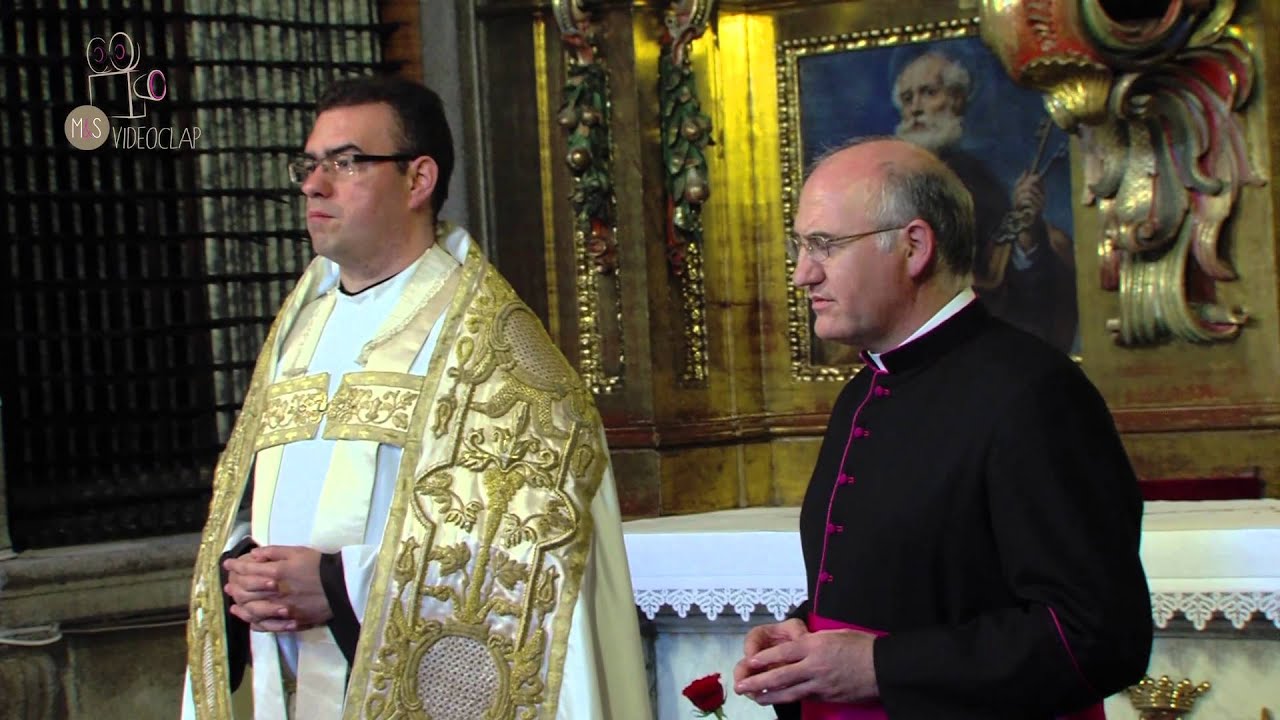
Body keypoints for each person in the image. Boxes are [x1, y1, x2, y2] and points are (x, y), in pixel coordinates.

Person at [181, 75, 651, 720]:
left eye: (344, 163)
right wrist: (241, 566)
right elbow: (252, 490)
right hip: (284, 682)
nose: (313, 185)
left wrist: (336, 586)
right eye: (309, 164)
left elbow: (529, 554)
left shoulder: (492, 348)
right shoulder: (299, 329)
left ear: (418, 178)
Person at [732, 138, 1152, 718]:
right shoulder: (861, 393)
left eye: (824, 245)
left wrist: (877, 668)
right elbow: (908, 584)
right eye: (801, 246)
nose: (803, 273)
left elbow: (1099, 638)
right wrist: (800, 635)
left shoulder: (1034, 392)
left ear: (913, 247)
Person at [893, 50, 1078, 353]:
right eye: (907, 99)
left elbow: (1006, 282)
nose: (915, 109)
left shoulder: (978, 182)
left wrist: (1027, 229)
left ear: (955, 100)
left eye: (928, 93)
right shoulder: (887, 181)